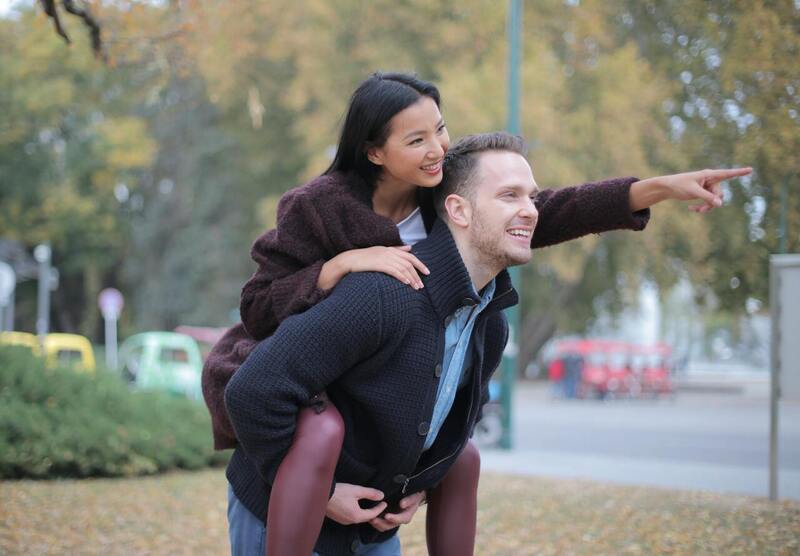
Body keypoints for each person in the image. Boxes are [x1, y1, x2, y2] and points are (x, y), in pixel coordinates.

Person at [202, 72, 750, 555]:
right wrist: (341, 264)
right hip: (287, 374)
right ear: (374, 151)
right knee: (322, 430)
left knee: (459, 457)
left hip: (363, 460)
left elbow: (548, 209)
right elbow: (258, 309)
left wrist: (657, 189)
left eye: (439, 129)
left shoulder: (441, 200)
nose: (438, 148)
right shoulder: (321, 208)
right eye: (416, 140)